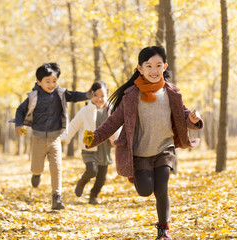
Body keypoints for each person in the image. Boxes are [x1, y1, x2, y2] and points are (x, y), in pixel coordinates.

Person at [83, 46, 203, 240]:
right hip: (140, 152)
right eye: (149, 66)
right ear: (140, 69)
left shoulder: (171, 93)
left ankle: (163, 229)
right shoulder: (132, 96)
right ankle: (136, 176)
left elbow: (184, 115)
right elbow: (114, 121)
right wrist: (95, 137)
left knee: (161, 188)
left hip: (164, 148)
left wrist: (194, 119)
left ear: (164, 66)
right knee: (145, 190)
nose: (154, 70)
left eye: (158, 65)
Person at [14, 62, 93, 210]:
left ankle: (56, 198)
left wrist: (88, 94)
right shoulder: (33, 97)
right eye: (47, 81)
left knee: (56, 168)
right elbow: (20, 110)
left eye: (54, 81)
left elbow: (75, 96)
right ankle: (36, 174)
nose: (52, 84)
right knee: (37, 167)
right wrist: (19, 125)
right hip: (38, 139)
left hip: (55, 139)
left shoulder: (61, 94)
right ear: (39, 82)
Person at [61, 81, 119, 205]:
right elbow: (73, 126)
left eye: (102, 96)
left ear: (108, 95)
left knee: (102, 177)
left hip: (105, 147)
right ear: (91, 94)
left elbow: (117, 127)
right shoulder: (85, 111)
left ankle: (93, 195)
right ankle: (83, 181)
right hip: (89, 147)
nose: (99, 99)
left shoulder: (111, 110)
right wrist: (63, 140)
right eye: (96, 95)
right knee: (92, 170)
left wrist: (117, 140)